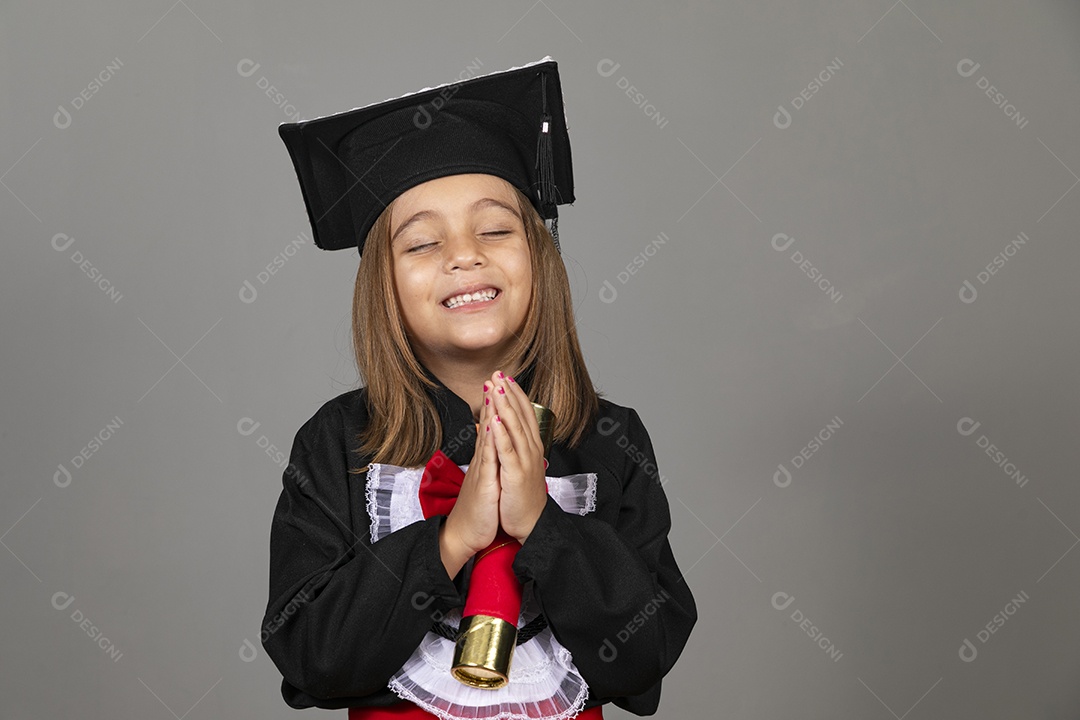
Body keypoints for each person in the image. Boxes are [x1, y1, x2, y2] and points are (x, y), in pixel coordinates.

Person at [261, 58, 697, 719]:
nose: (464, 254)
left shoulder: (610, 441)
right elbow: (313, 655)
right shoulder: (337, 444)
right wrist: (453, 536)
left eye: (495, 229)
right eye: (421, 243)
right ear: (381, 287)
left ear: (539, 258)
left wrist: (541, 526)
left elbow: (644, 652)